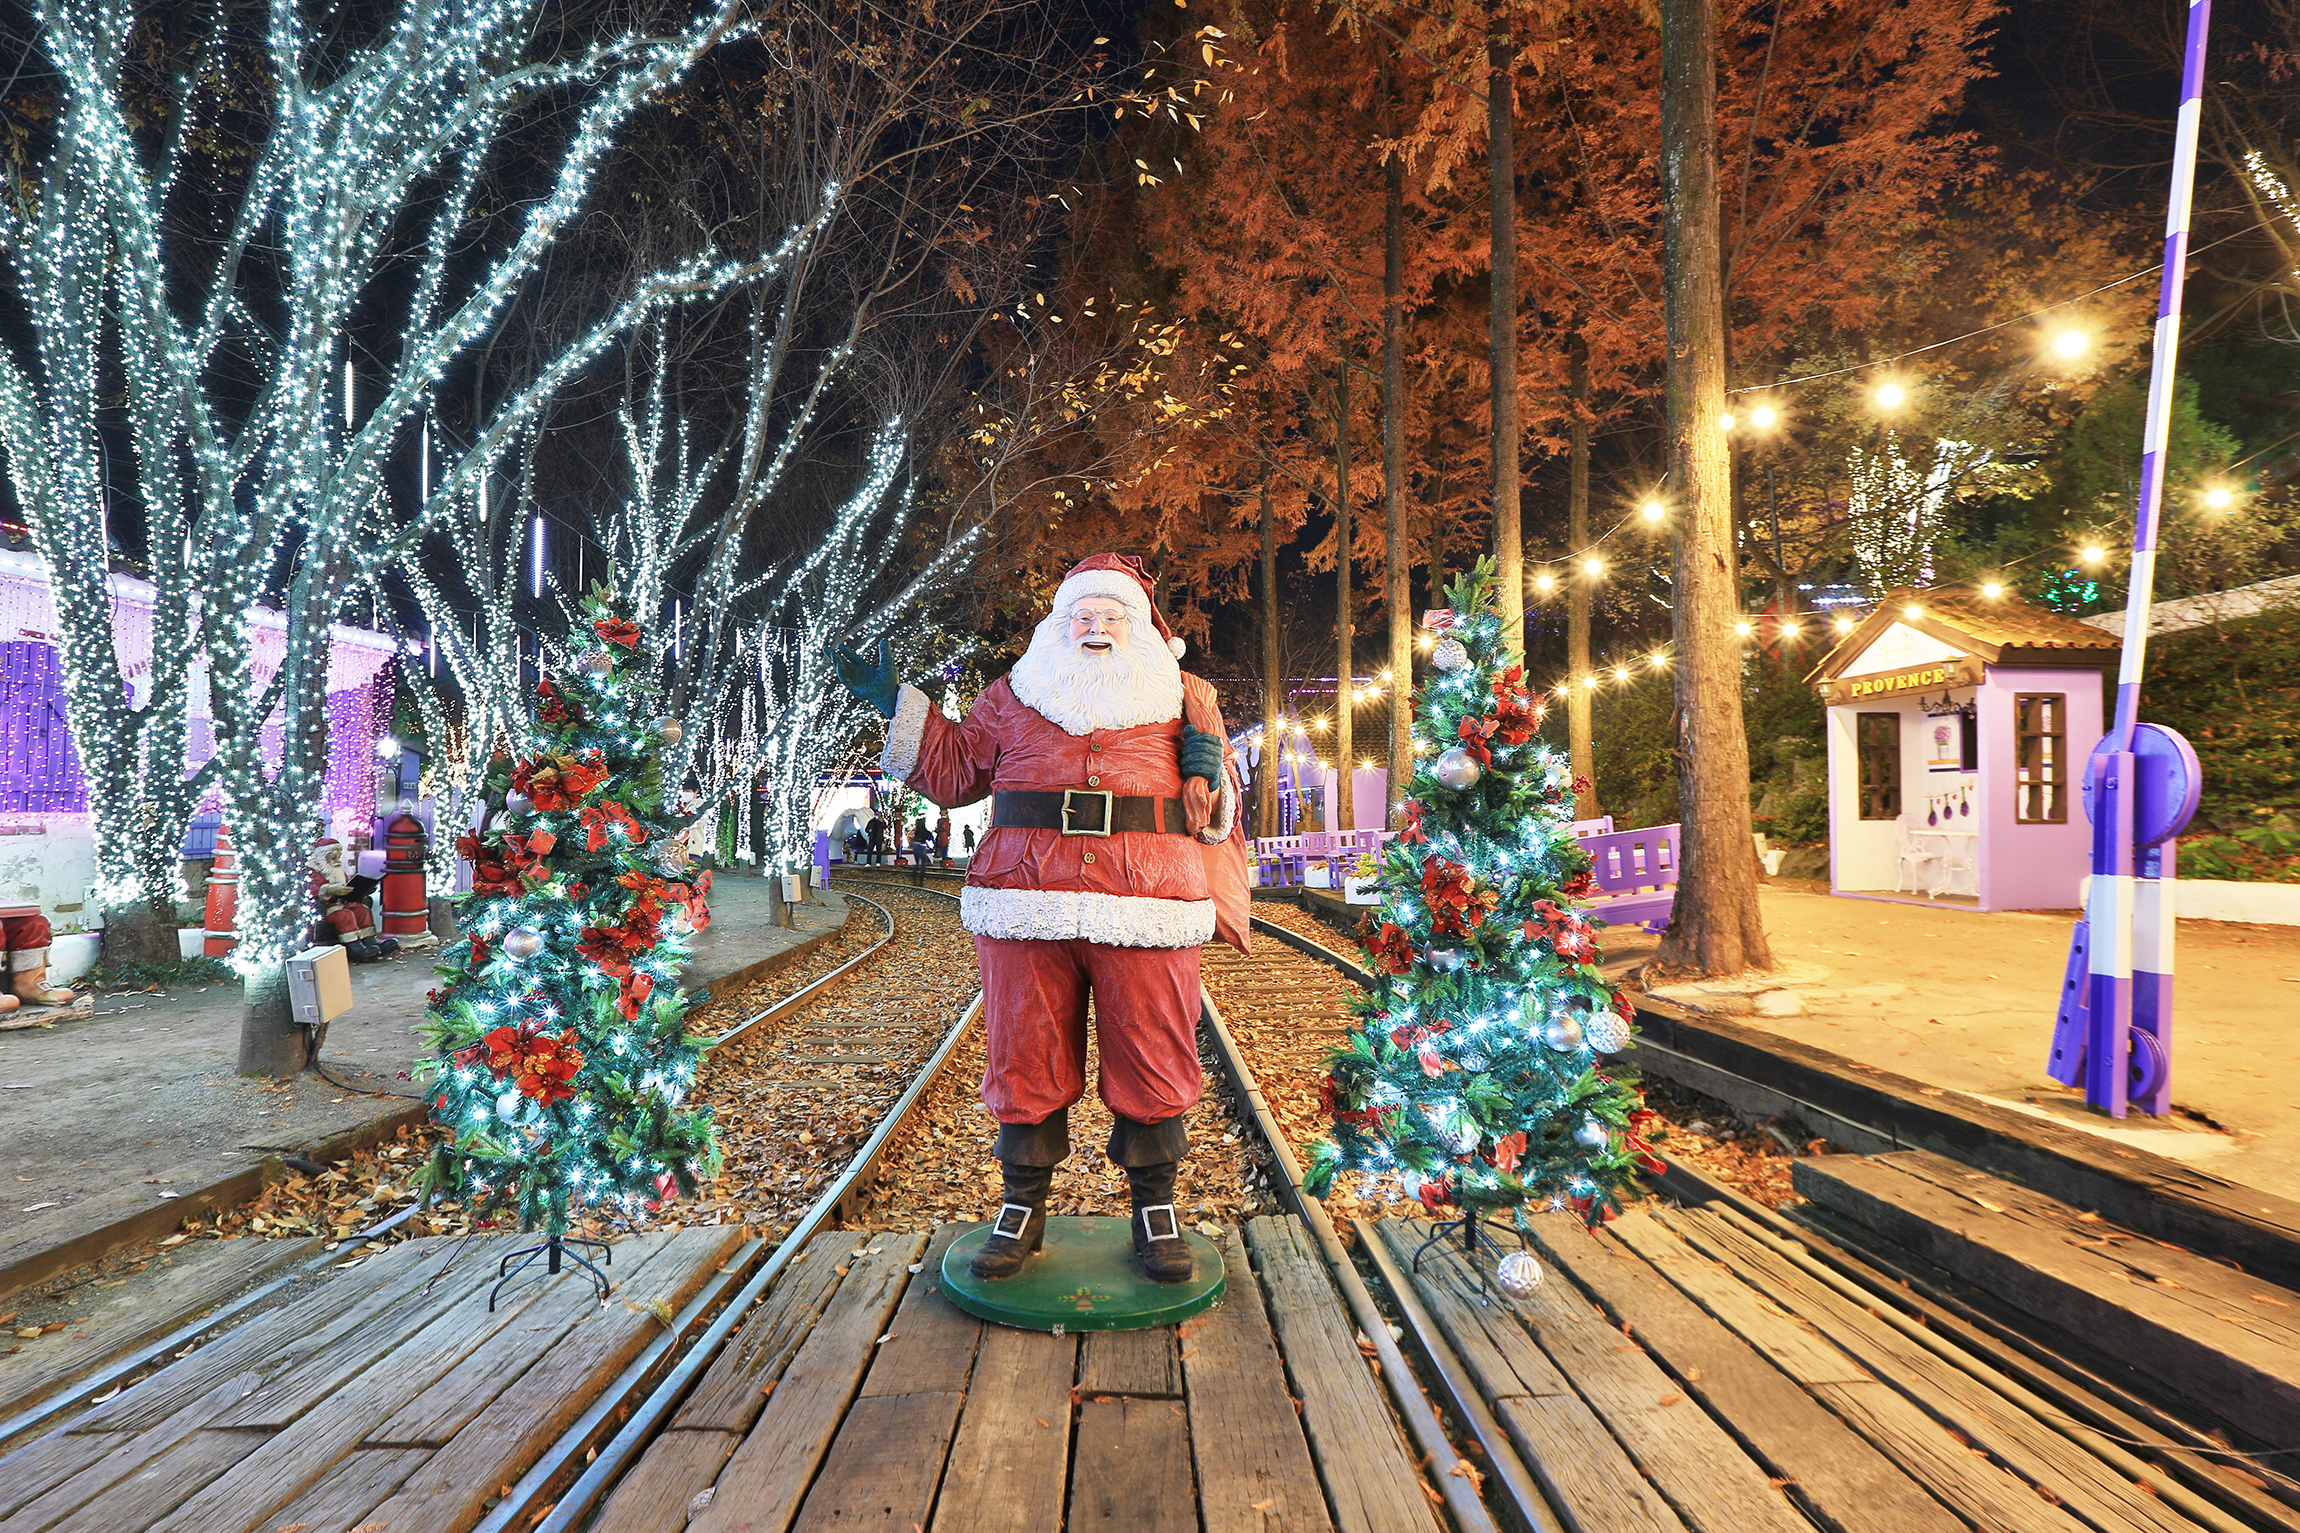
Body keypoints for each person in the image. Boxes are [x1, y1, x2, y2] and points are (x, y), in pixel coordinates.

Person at [835, 553, 1248, 1285]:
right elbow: (956, 770)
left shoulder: (1187, 695)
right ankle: (1020, 1207)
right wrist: (894, 702)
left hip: (1148, 897)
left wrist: (1212, 781)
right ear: (1058, 625)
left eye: (1111, 616)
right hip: (1025, 898)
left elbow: (1217, 810)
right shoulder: (1013, 695)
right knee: (1023, 1051)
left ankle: (1157, 1209)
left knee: (1154, 1049)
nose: (1095, 628)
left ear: (1140, 626)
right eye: (1082, 616)